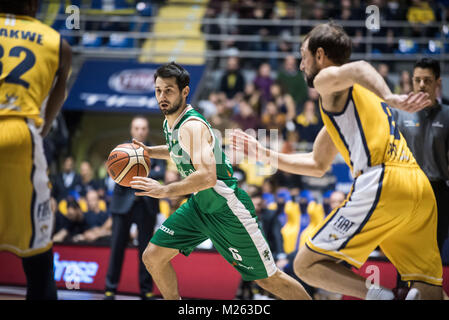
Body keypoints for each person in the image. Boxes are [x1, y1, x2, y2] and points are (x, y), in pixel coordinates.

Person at [230, 22, 443, 300]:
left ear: (320, 55)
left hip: (383, 182)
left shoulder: (326, 80)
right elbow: (317, 164)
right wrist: (264, 154)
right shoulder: (352, 99)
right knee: (428, 288)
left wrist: (391, 96)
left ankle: (383, 297)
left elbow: (361, 66)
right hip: (418, 187)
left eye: (303, 55)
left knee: (306, 264)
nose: (300, 64)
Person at [130, 62, 311, 300]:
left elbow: (207, 177)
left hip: (226, 208)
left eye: (169, 91)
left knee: (268, 278)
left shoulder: (192, 126)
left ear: (185, 92)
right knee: (152, 256)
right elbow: (179, 150)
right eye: (158, 90)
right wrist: (151, 152)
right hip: (200, 206)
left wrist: (163, 190)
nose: (161, 97)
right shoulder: (170, 122)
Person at [0, 0, 72, 300]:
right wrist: (40, 131)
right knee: (39, 255)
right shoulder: (58, 43)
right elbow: (59, 92)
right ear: (33, 5)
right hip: (19, 134)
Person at [104, 115, 166, 300]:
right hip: (122, 204)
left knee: (146, 251)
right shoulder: (121, 150)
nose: (140, 131)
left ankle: (146, 290)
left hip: (146, 205)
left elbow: (161, 171)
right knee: (116, 248)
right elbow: (115, 172)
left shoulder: (154, 150)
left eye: (143, 128)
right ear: (132, 130)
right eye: (137, 128)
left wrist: (132, 172)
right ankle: (110, 289)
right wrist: (146, 171)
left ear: (147, 130)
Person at [391, 58, 449, 253]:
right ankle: (402, 285)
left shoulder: (447, 116)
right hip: (406, 190)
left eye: (427, 80)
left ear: (438, 83)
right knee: (404, 250)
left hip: (438, 191)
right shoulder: (398, 113)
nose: (422, 85)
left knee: (434, 251)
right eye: (417, 80)